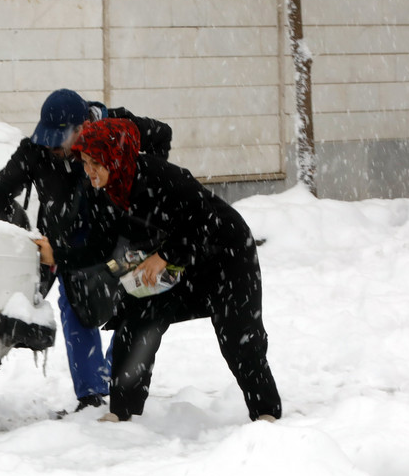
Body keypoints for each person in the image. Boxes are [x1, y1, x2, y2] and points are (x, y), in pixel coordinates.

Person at [71, 118, 282, 423]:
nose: (89, 170)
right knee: (136, 324)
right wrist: (59, 254)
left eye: (95, 163)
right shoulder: (105, 191)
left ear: (114, 159)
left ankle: (266, 415)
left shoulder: (159, 177)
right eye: (85, 162)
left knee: (238, 337)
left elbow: (205, 220)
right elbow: (101, 244)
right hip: (175, 263)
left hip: (226, 254)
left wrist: (165, 255)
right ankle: (121, 413)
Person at [0, 89, 171, 413]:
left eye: (58, 141)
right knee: (77, 306)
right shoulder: (36, 151)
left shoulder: (116, 127)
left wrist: (142, 184)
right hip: (69, 243)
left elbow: (162, 135)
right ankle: (91, 395)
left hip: (121, 235)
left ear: (81, 128)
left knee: (135, 301)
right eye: (46, 140)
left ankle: (118, 374)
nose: (51, 148)